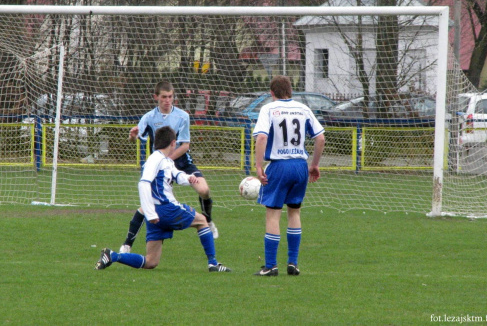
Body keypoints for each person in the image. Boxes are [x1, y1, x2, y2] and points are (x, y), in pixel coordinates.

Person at [95, 126, 230, 272]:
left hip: (156, 214)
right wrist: (150, 212)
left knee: (151, 261)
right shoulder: (155, 159)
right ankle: (213, 264)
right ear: (173, 143)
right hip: (166, 208)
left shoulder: (165, 160)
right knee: (202, 221)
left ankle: (112, 256)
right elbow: (144, 183)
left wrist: (189, 178)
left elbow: (176, 174)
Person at [118, 81, 218, 255]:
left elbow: (185, 145)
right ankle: (127, 244)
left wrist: (168, 160)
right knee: (147, 205)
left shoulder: (182, 116)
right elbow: (136, 137)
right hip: (158, 167)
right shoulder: (149, 117)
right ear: (156, 97)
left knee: (204, 190)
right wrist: (132, 136)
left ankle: (208, 221)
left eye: (170, 97)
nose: (167, 100)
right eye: (164, 97)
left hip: (180, 160)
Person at [252, 75, 325, 276]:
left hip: (279, 166)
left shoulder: (269, 108)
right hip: (300, 166)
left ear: (272, 93)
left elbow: (261, 137)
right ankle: (293, 263)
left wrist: (258, 166)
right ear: (290, 91)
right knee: (294, 212)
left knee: (273, 214)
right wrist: (315, 165)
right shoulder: (303, 109)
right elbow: (320, 138)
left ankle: (271, 266)